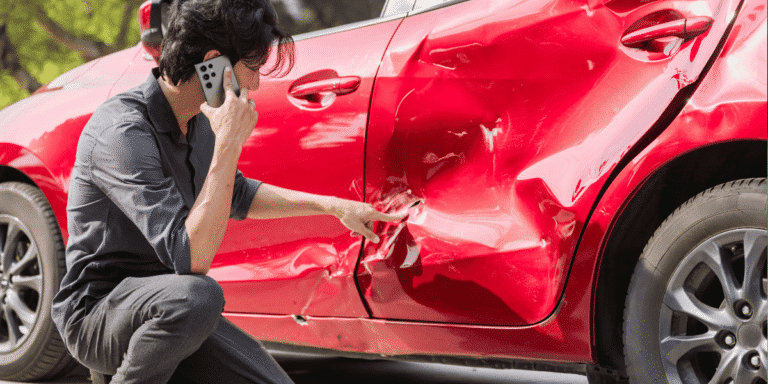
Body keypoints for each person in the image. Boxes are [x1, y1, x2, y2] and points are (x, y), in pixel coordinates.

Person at [50, 0, 405, 383]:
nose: (254, 84)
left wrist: (330, 205)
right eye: (251, 68)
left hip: (170, 311)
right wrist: (228, 145)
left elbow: (235, 193)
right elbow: (191, 258)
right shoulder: (122, 133)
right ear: (213, 63)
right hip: (100, 315)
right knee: (199, 295)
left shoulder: (198, 120)